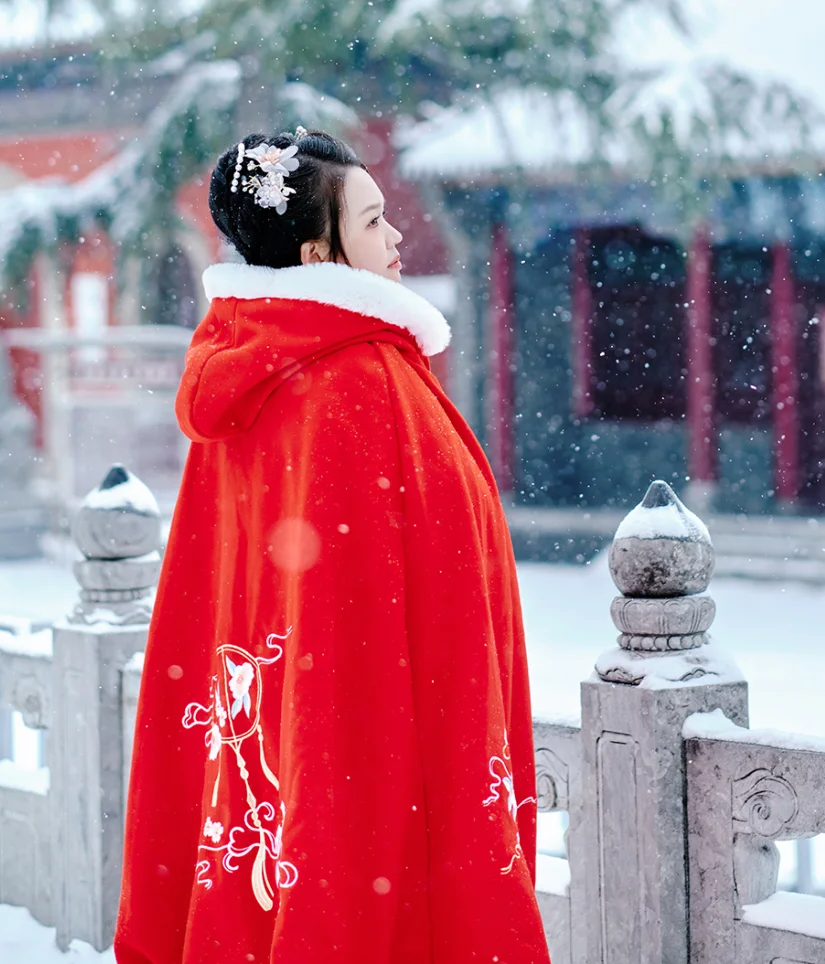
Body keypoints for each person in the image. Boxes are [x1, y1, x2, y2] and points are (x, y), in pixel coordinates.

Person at [115, 129, 550, 964]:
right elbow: (383, 610)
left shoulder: (249, 367)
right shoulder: (356, 379)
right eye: (374, 220)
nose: (395, 240)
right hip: (370, 744)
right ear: (320, 253)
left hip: (292, 730)